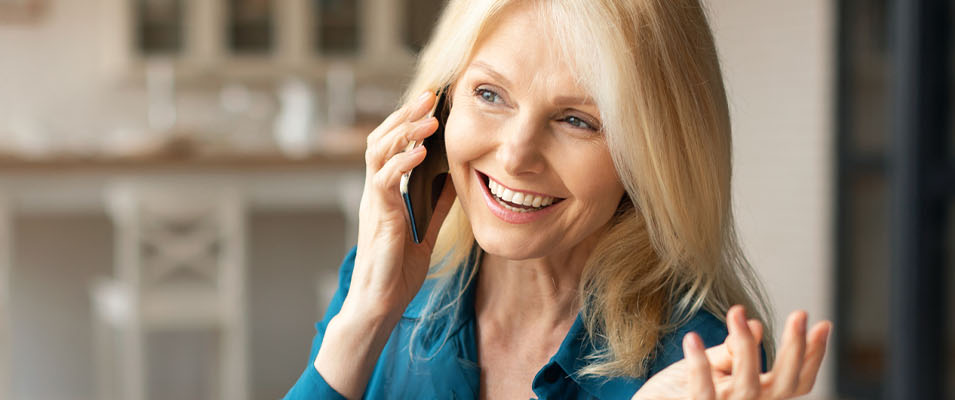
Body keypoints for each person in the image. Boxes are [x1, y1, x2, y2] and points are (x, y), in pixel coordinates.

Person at [286, 0, 831, 398]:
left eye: (577, 120)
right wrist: (361, 322)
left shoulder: (701, 361)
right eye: (489, 94)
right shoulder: (377, 291)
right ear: (441, 106)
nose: (517, 155)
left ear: (653, 155)